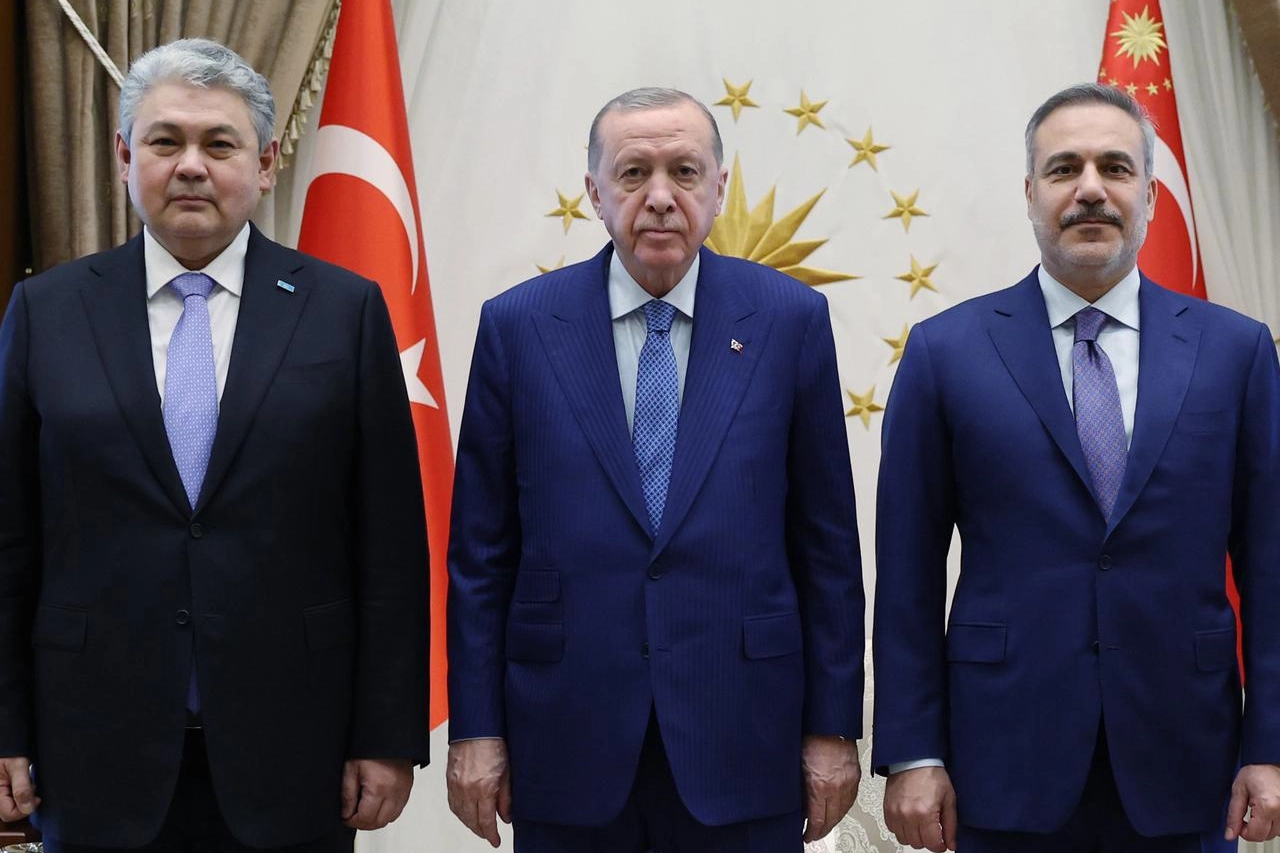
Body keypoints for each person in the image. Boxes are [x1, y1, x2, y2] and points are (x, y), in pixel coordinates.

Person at [0, 38, 429, 851]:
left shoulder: (343, 311)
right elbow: (9, 541)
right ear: (124, 157)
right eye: (165, 141)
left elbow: (390, 547)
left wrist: (387, 733)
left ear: (264, 164)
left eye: (219, 144)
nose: (191, 165)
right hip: (90, 750)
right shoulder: (46, 312)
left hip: (294, 752)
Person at [445, 87, 864, 853]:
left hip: (744, 736)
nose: (661, 197)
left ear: (720, 187)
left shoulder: (789, 321)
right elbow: (481, 555)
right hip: (566, 738)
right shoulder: (518, 327)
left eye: (685, 171)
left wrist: (833, 729)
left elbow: (827, 548)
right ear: (594, 192)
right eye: (634, 172)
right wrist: (475, 728)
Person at [873, 81, 1280, 853]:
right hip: (1002, 764)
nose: (1090, 188)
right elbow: (907, 576)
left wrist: (1272, 743)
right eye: (1064, 168)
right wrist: (914, 751)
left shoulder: (1237, 352)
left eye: (1115, 167)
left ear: (1150, 195)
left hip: (1187, 761)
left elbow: (1271, 565)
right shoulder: (944, 352)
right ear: (1031, 193)